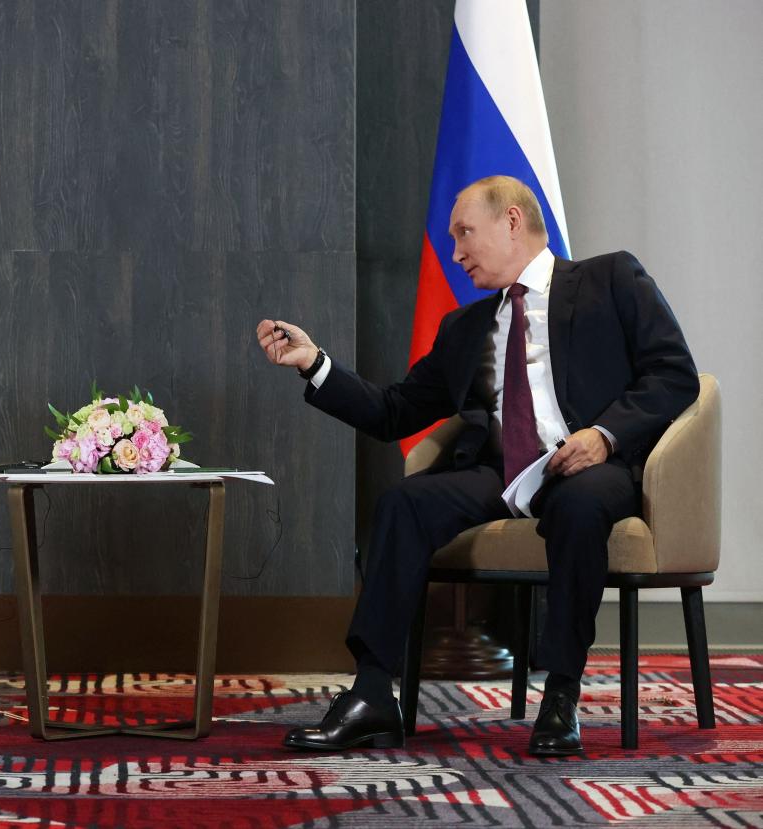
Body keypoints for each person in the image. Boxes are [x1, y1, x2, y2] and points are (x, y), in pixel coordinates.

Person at [256, 175, 698, 756]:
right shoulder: (465, 328)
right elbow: (394, 411)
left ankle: (561, 695)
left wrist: (605, 435)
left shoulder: (609, 279)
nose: (456, 252)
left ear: (511, 221)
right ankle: (370, 695)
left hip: (591, 463)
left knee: (581, 506)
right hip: (502, 472)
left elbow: (674, 374)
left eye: (465, 233)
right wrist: (314, 363)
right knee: (403, 504)